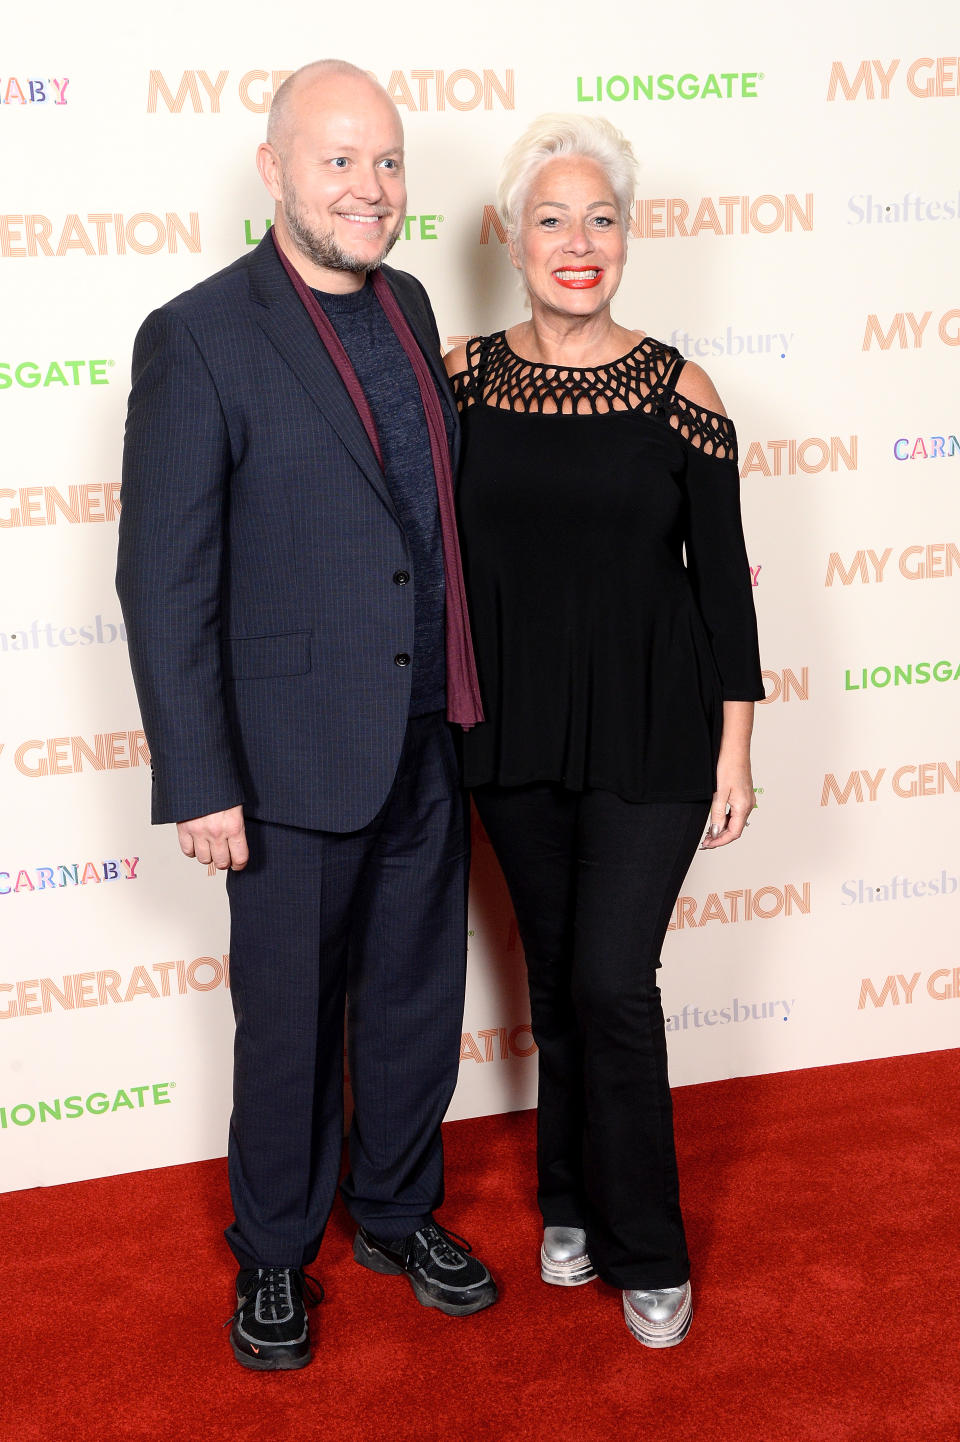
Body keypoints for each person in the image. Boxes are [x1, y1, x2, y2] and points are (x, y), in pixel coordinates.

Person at [117, 59, 496, 1373]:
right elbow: (162, 573)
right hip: (281, 762)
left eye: (386, 163)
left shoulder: (409, 300)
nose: (370, 187)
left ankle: (395, 1212)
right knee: (288, 1017)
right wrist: (199, 773)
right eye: (339, 160)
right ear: (274, 171)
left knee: (410, 996)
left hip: (421, 734)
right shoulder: (201, 332)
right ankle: (274, 1251)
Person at [444, 114, 763, 1348]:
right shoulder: (462, 377)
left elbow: (723, 584)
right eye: (553, 218)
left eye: (603, 217)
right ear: (512, 238)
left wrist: (734, 751)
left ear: (627, 237)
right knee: (562, 981)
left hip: (653, 733)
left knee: (613, 980)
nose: (580, 242)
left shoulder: (682, 391)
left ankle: (648, 1242)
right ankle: (568, 1197)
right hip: (513, 734)